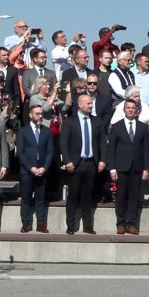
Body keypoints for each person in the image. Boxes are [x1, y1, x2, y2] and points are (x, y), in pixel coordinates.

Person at [105, 99, 149, 234]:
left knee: (134, 196)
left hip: (137, 167)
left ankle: (131, 223)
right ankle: (120, 223)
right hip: (121, 167)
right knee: (121, 196)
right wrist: (112, 168)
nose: (130, 110)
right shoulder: (117, 126)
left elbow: (145, 149)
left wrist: (146, 168)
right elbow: (111, 149)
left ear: (137, 110)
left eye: (133, 108)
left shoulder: (142, 127)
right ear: (124, 110)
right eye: (128, 108)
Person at [60, 94, 104, 234]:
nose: (91, 106)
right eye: (88, 104)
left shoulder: (96, 121)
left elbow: (102, 142)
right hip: (75, 164)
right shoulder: (70, 122)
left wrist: (102, 159)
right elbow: (63, 143)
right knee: (73, 196)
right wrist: (67, 161)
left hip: (91, 163)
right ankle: (71, 226)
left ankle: (88, 225)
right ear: (80, 105)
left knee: (88, 196)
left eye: (91, 104)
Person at [16, 104, 54, 232]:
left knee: (40, 198)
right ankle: (25, 223)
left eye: (41, 114)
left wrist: (44, 167)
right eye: (37, 114)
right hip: (27, 171)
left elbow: (50, 152)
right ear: (30, 115)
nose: (40, 116)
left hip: (42, 170)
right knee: (26, 197)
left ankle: (41, 223)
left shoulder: (47, 131)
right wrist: (30, 167)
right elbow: (20, 152)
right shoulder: (23, 131)